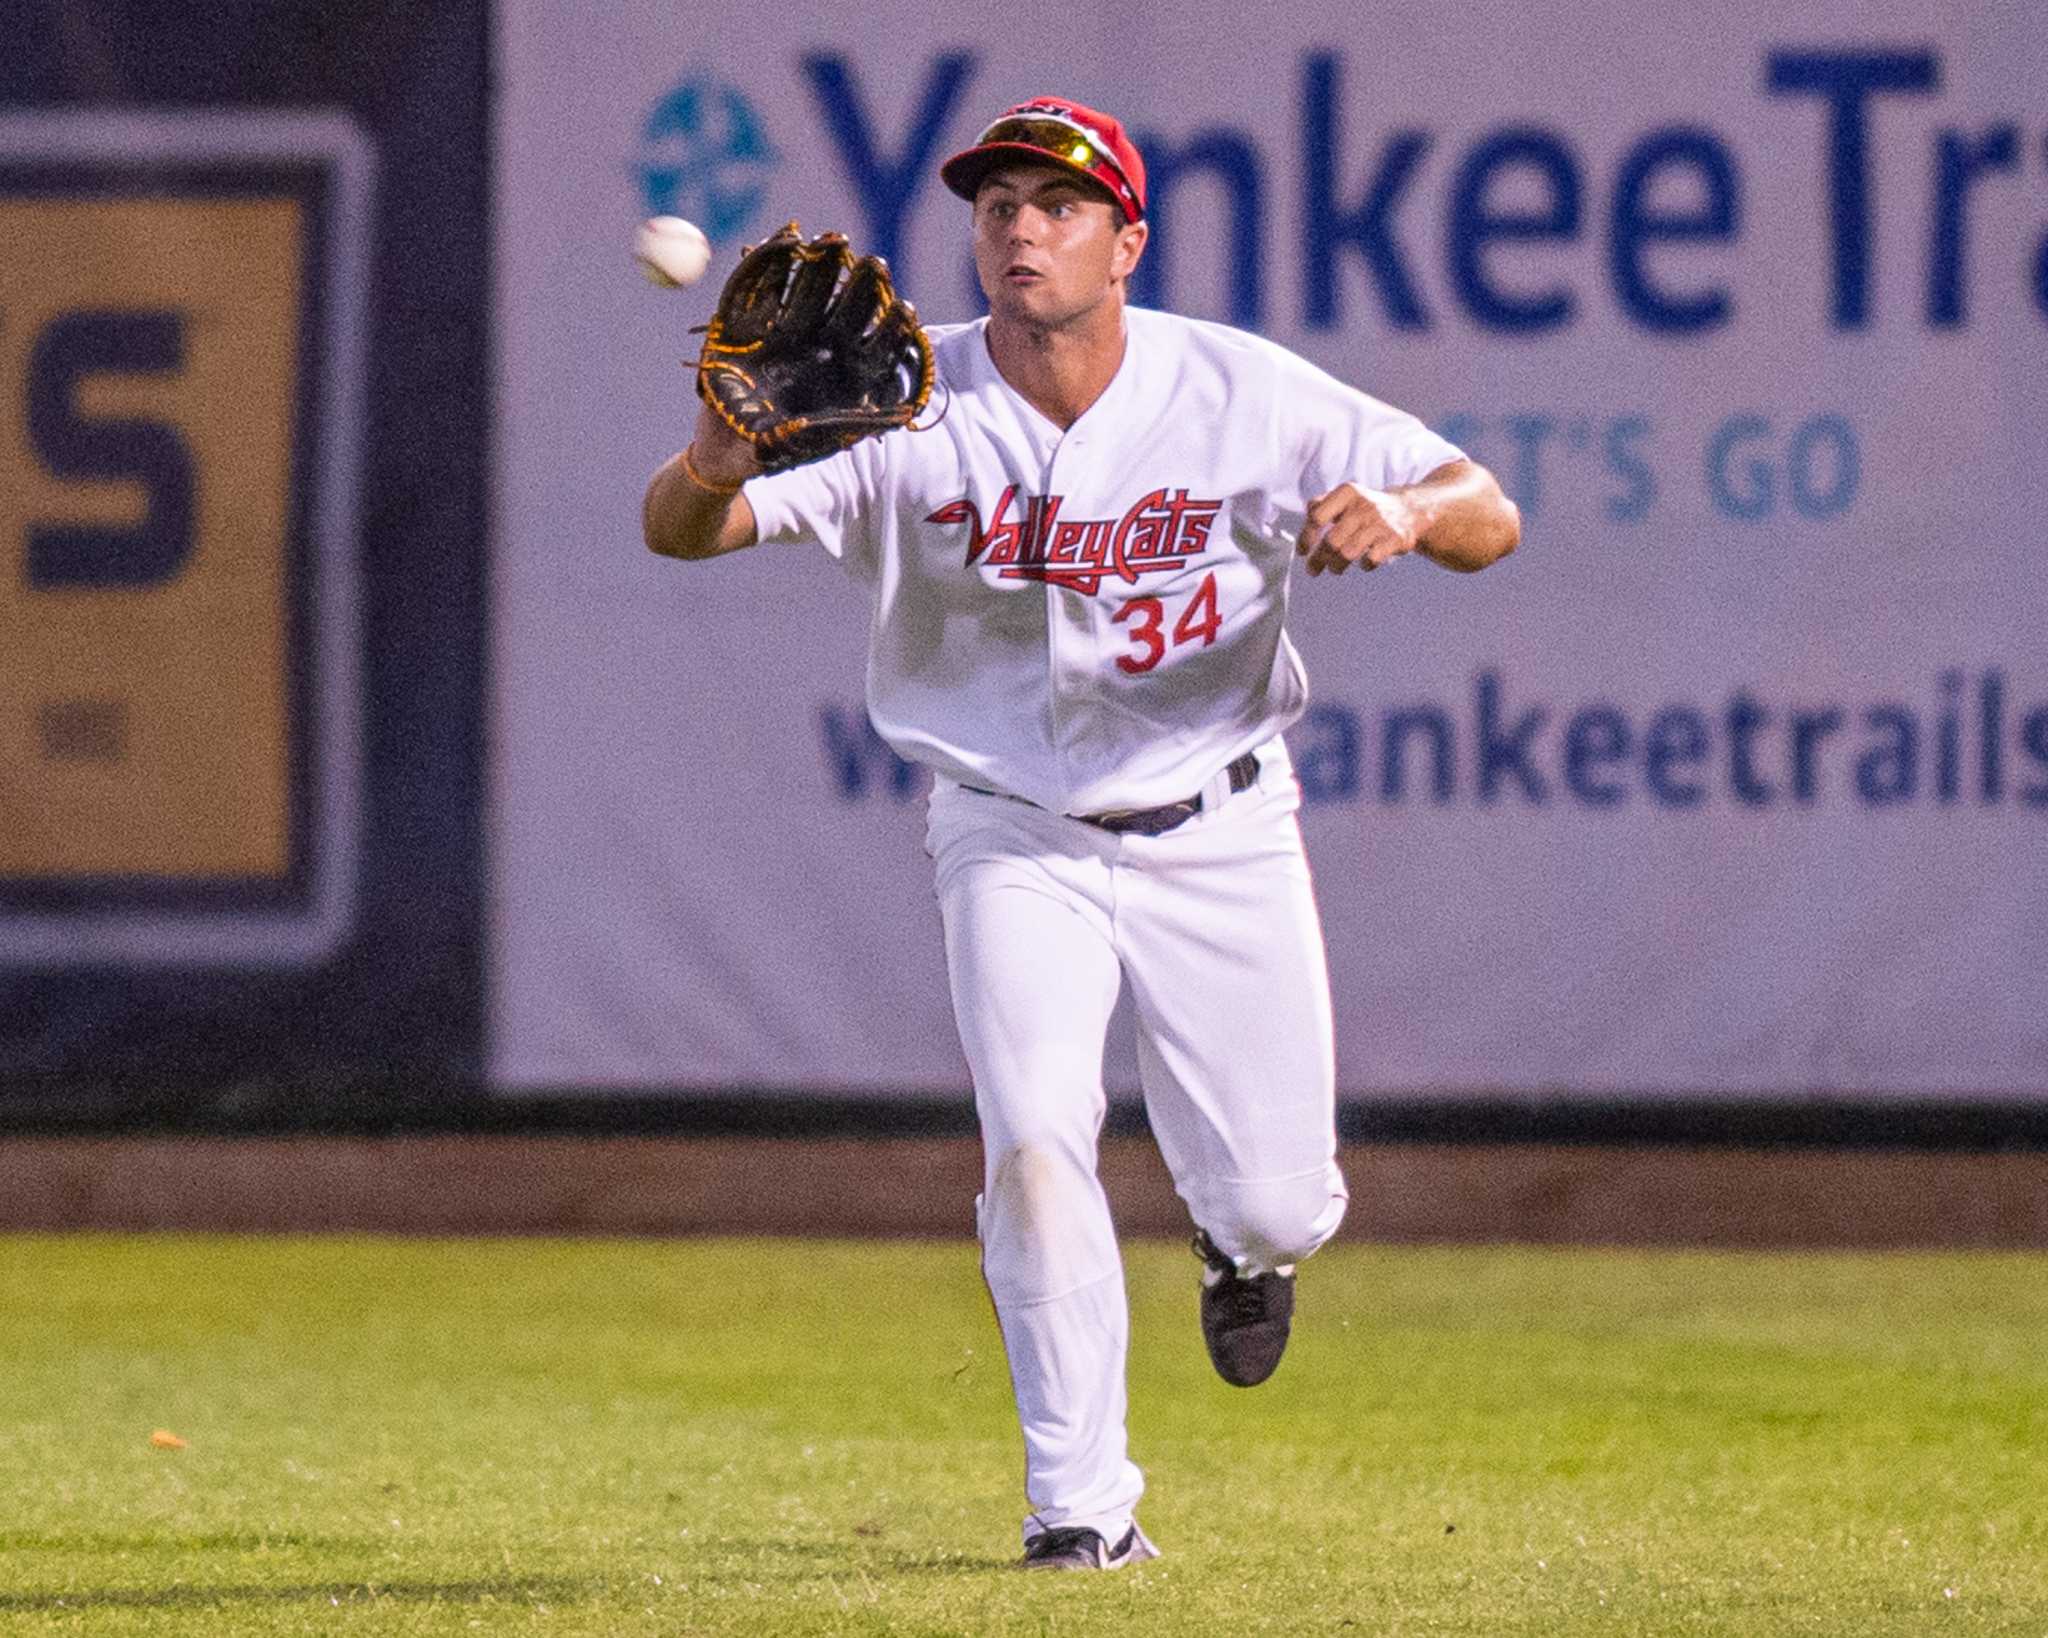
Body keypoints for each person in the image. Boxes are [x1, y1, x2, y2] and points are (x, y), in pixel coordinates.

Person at [643, 96, 1520, 1572]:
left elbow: (1488, 507)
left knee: (1276, 1193)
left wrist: (1409, 511)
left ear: (1129, 242)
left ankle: (1245, 1252)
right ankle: (1082, 1511)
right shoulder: (902, 394)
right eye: (998, 204)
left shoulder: (1239, 391)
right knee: (1036, 1142)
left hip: (1220, 822)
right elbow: (682, 530)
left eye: (1059, 204)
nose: (1023, 227)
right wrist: (718, 454)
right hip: (1010, 832)